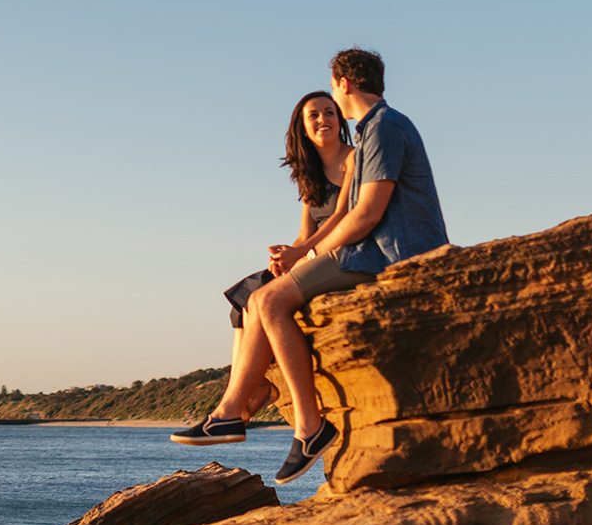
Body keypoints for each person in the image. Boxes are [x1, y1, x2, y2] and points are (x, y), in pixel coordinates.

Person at [176, 48, 449, 486]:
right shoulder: (378, 127)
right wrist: (301, 253)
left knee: (269, 300)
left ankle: (294, 424)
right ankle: (256, 416)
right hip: (373, 249)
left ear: (343, 83)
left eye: (332, 93)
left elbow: (364, 215)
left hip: (390, 254)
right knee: (260, 297)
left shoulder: (382, 129)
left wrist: (307, 256)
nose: (329, 109)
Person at [169, 90, 354, 449]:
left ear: (340, 120)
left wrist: (301, 253)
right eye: (314, 115)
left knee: (265, 298)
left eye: (329, 113)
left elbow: (345, 217)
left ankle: (235, 406)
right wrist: (287, 253)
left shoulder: (353, 161)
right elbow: (306, 231)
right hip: (314, 254)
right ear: (302, 128)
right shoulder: (310, 175)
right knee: (247, 293)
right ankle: (248, 392)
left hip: (342, 257)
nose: (323, 120)